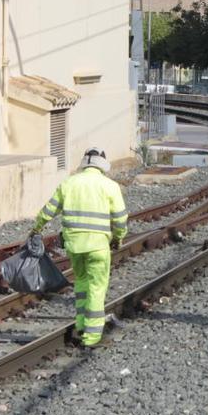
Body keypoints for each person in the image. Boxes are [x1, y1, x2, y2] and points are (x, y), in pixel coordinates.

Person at [32, 147, 128, 347]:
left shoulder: (69, 183)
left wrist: (36, 228)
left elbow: (49, 210)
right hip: (99, 246)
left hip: (74, 246)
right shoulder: (110, 186)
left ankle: (82, 324)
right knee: (96, 287)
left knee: (82, 284)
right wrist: (118, 238)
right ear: (103, 165)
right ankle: (92, 336)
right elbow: (120, 219)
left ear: (84, 163)